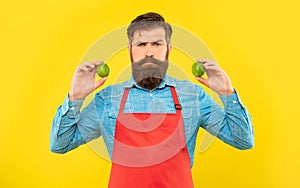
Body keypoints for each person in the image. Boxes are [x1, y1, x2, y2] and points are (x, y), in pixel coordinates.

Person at [50, 12, 254, 188]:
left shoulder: (192, 95)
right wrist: (75, 98)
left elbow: (242, 140)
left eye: (157, 44)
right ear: (130, 50)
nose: (149, 52)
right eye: (141, 44)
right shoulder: (108, 99)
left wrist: (227, 93)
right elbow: (60, 144)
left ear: (168, 49)